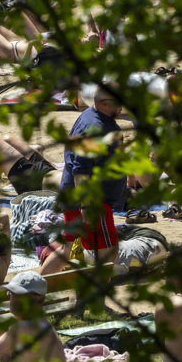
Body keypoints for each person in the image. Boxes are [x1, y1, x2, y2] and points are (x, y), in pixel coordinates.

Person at [54, 85, 125, 268]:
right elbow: (81, 170)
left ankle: (34, 290)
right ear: (104, 103)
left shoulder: (94, 116)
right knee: (108, 254)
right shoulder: (95, 128)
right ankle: (98, 295)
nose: (122, 107)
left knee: (66, 250)